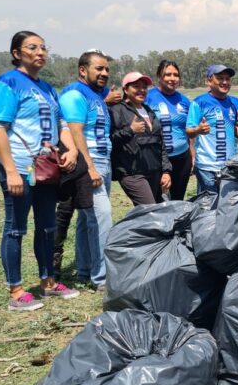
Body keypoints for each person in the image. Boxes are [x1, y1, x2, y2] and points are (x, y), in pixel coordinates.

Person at [0, 31, 80, 311]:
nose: (40, 52)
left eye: (43, 47)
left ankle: (48, 282)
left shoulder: (48, 89)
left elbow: (62, 124)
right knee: (15, 229)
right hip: (20, 168)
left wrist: (72, 150)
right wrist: (11, 171)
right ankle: (16, 291)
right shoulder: (8, 83)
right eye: (32, 47)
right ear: (17, 53)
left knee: (47, 227)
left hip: (46, 169)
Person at [53, 59, 120, 280]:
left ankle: (84, 270)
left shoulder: (96, 95)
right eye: (99, 68)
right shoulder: (75, 94)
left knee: (86, 217)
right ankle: (102, 277)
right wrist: (89, 167)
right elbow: (75, 132)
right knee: (102, 216)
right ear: (83, 70)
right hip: (89, 162)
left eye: (107, 69)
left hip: (103, 160)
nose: (104, 73)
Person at [110, 72, 172, 205]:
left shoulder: (148, 110)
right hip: (132, 173)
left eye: (144, 87)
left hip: (154, 171)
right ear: (126, 89)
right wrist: (130, 130)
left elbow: (160, 142)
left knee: (158, 210)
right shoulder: (117, 110)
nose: (142, 90)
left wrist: (166, 171)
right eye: (136, 86)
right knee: (149, 209)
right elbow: (111, 139)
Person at [186, 64, 238, 194]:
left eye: (227, 79)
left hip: (230, 165)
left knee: (228, 203)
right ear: (209, 81)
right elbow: (189, 131)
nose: (225, 82)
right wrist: (198, 130)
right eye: (220, 78)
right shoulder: (199, 102)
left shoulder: (235, 102)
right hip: (207, 167)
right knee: (208, 204)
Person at [145, 60, 192, 200]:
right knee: (158, 201)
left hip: (182, 158)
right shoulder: (148, 97)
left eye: (176, 75)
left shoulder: (184, 100)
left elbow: (189, 130)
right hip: (157, 159)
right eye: (168, 74)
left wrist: (193, 155)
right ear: (159, 76)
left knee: (178, 200)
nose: (172, 78)